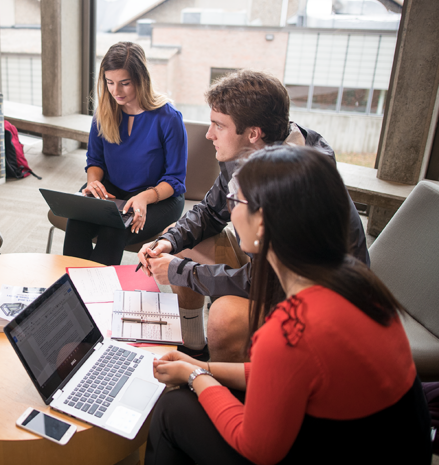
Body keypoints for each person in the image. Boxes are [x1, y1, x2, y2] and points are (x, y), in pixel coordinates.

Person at [145, 145, 432, 465]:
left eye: (235, 201)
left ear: (263, 222)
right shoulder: (355, 281)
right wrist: (202, 368)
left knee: (174, 409)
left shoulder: (289, 328)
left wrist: (197, 377)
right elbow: (282, 373)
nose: (229, 209)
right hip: (385, 443)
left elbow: (258, 449)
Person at [139, 70, 369, 362]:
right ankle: (194, 347)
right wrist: (169, 242)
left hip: (312, 300)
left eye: (218, 126)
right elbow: (210, 211)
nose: (209, 134)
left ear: (253, 133)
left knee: (224, 318)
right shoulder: (247, 153)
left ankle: (223, 385)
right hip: (267, 266)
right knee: (181, 240)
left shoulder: (297, 186)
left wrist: (180, 271)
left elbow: (266, 281)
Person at [62, 41, 187, 266]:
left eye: (124, 83)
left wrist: (143, 198)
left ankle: (99, 293)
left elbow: (176, 180)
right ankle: (68, 290)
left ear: (141, 80)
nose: (115, 91)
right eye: (109, 83)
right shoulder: (104, 112)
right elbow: (95, 160)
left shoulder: (168, 118)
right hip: (114, 190)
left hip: (159, 197)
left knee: (114, 228)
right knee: (77, 221)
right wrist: (93, 183)